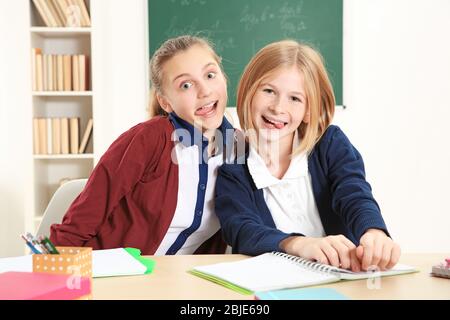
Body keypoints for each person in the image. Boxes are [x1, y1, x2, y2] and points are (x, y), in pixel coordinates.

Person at [215, 40, 401, 271]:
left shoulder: (330, 144)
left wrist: (374, 231)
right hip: (276, 283)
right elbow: (241, 229)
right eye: (269, 91)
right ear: (248, 93)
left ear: (308, 110)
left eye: (295, 98)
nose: (278, 107)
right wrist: (299, 244)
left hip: (342, 280)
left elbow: (354, 194)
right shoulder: (233, 167)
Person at [50, 35, 235, 255]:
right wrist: (57, 275)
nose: (205, 91)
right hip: (113, 278)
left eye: (210, 75)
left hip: (181, 283)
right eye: (186, 85)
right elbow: (80, 222)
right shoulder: (146, 140)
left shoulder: (239, 148)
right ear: (166, 102)